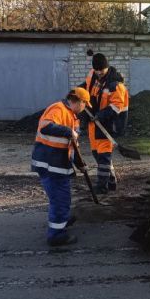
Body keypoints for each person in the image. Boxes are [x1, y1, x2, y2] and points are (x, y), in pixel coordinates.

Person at [31, 87, 88, 247]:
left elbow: (72, 146)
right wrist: (67, 131)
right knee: (60, 199)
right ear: (80, 102)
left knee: (62, 197)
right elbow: (46, 126)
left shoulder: (72, 117)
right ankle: (56, 235)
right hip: (50, 164)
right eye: (85, 105)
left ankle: (62, 219)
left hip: (57, 164)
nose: (85, 109)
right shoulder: (59, 109)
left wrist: (80, 165)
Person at [81, 53, 129, 192]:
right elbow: (86, 86)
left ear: (107, 67)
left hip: (108, 125)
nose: (99, 72)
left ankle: (102, 186)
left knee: (104, 156)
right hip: (93, 123)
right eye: (96, 70)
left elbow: (116, 107)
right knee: (97, 154)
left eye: (101, 70)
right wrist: (77, 92)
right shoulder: (93, 75)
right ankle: (112, 182)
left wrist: (100, 115)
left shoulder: (115, 85)